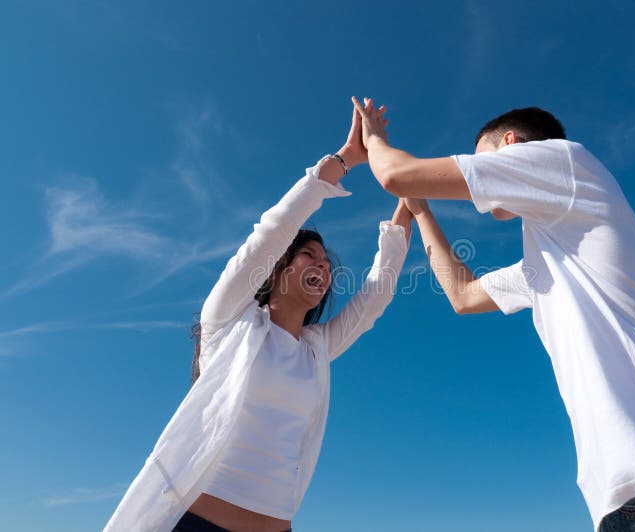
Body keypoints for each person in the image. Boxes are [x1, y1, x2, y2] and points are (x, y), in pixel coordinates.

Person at [353, 98, 635, 531]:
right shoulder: (551, 255)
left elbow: (394, 173)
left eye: (479, 158)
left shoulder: (566, 162)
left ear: (512, 144)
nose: (475, 172)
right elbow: (462, 296)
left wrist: (373, 139)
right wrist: (422, 210)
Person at [106, 107, 411, 532]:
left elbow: (374, 298)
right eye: (310, 256)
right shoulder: (229, 323)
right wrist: (339, 164)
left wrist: (404, 215)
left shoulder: (316, 349)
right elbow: (268, 236)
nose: (323, 268)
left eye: (327, 264)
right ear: (277, 271)